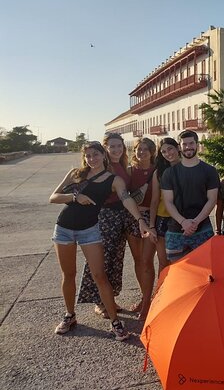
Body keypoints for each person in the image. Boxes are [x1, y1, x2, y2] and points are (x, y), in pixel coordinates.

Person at [49, 141, 150, 340]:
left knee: (100, 275)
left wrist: (140, 220)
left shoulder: (113, 179)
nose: (92, 159)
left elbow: (126, 198)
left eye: (95, 154)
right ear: (84, 157)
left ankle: (115, 322)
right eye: (88, 155)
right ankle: (70, 316)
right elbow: (54, 197)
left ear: (103, 155)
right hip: (64, 229)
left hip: (90, 230)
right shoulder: (75, 174)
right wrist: (75, 197)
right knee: (68, 274)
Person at [77, 132, 131, 318]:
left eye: (119, 146)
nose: (116, 149)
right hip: (104, 216)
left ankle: (110, 299)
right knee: (102, 259)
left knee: (116, 259)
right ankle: (100, 302)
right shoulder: (103, 167)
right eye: (112, 146)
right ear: (105, 149)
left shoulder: (123, 165)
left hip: (120, 216)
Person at [161, 130, 220, 262]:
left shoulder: (209, 171)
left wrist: (195, 222)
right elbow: (168, 202)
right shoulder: (169, 173)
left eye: (191, 143)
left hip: (203, 230)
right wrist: (183, 222)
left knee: (206, 272)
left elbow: (212, 199)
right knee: (177, 274)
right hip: (176, 231)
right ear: (179, 147)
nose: (188, 147)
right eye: (185, 144)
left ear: (197, 144)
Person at [139, 137, 181, 321]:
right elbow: (155, 200)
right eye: (164, 151)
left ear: (177, 148)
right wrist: (153, 226)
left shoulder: (188, 166)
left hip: (185, 221)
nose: (168, 153)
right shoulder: (160, 172)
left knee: (181, 264)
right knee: (164, 263)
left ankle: (177, 298)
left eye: (170, 149)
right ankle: (158, 301)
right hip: (164, 220)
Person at [126, 137, 156, 314]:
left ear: (152, 152)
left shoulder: (156, 171)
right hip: (132, 217)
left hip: (149, 218)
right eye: (139, 149)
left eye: (146, 149)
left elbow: (156, 199)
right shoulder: (130, 171)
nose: (142, 152)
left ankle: (146, 302)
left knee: (146, 260)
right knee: (137, 261)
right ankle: (144, 296)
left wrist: (151, 223)